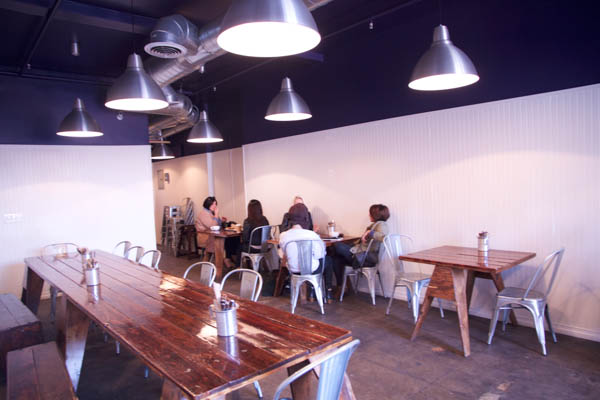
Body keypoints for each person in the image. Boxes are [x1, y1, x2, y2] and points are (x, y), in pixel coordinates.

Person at [331, 204, 390, 296]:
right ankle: (342, 286)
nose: (369, 215)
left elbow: (383, 237)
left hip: (363, 258)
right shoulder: (375, 224)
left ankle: (341, 286)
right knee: (336, 258)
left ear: (376, 214)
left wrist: (370, 232)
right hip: (361, 255)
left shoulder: (382, 224)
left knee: (336, 246)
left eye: (370, 213)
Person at [279, 203, 334, 300]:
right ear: (306, 217)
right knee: (328, 260)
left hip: (293, 270)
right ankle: (327, 292)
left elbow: (283, 254)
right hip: (312, 270)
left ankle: (312, 290)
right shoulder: (312, 235)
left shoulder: (283, 236)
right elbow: (320, 254)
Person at [195, 196, 238, 268]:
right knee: (226, 240)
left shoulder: (211, 212)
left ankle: (228, 258)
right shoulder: (203, 213)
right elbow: (212, 226)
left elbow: (217, 225)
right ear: (208, 204)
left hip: (213, 235)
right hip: (205, 237)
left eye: (215, 204)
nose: (215, 206)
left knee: (232, 239)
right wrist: (216, 215)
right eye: (213, 204)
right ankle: (226, 260)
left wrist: (222, 221)